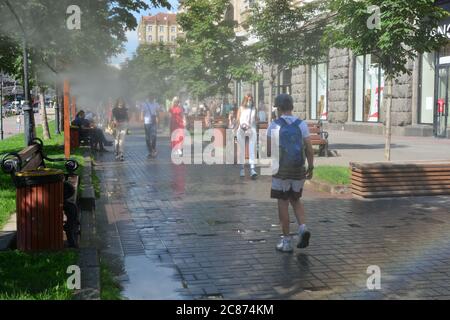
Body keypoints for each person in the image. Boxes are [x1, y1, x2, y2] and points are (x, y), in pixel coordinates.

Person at [267, 94, 314, 253]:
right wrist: (311, 166)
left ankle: (286, 242)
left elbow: (269, 150)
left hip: (281, 171)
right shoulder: (302, 124)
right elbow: (308, 148)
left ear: (278, 108)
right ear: (292, 107)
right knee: (296, 199)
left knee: (282, 203)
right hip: (298, 169)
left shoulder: (274, 125)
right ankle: (303, 228)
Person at [235, 93, 258, 178]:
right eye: (248, 100)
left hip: (252, 130)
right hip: (241, 130)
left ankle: (252, 169)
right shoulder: (241, 108)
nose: (250, 101)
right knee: (242, 150)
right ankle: (242, 169)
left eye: (251, 100)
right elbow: (237, 120)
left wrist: (256, 122)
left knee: (252, 150)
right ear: (245, 100)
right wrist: (235, 129)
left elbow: (256, 119)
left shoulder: (254, 109)